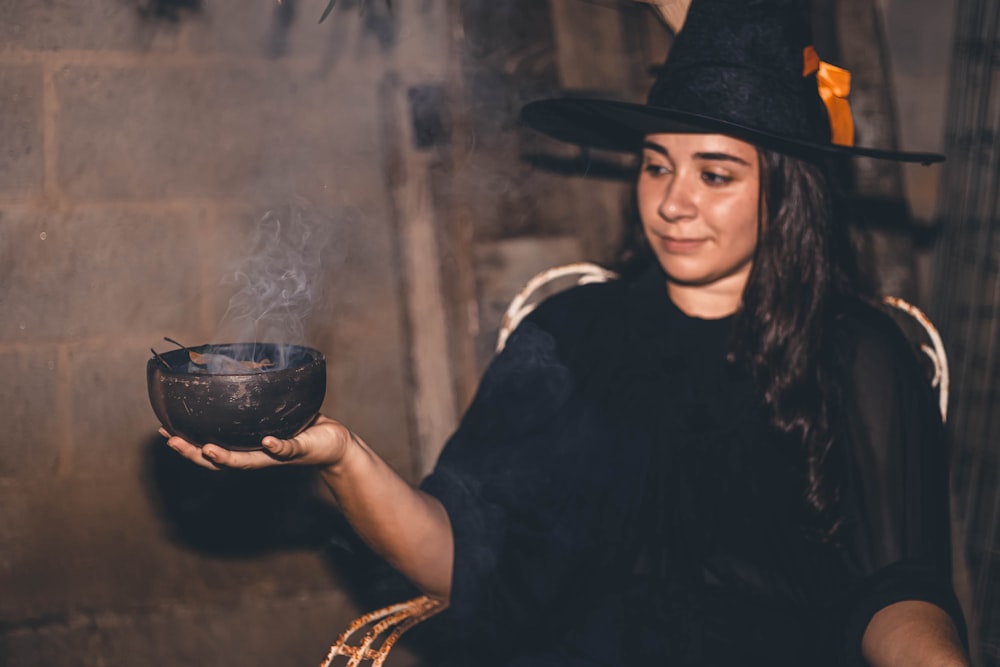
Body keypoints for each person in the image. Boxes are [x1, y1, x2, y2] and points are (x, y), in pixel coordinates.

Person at [163, 0, 971, 664]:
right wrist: (341, 456)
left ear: (786, 192)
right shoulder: (573, 337)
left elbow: (899, 586)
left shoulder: (858, 354)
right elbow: (462, 557)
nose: (673, 201)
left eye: (715, 174)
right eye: (657, 165)